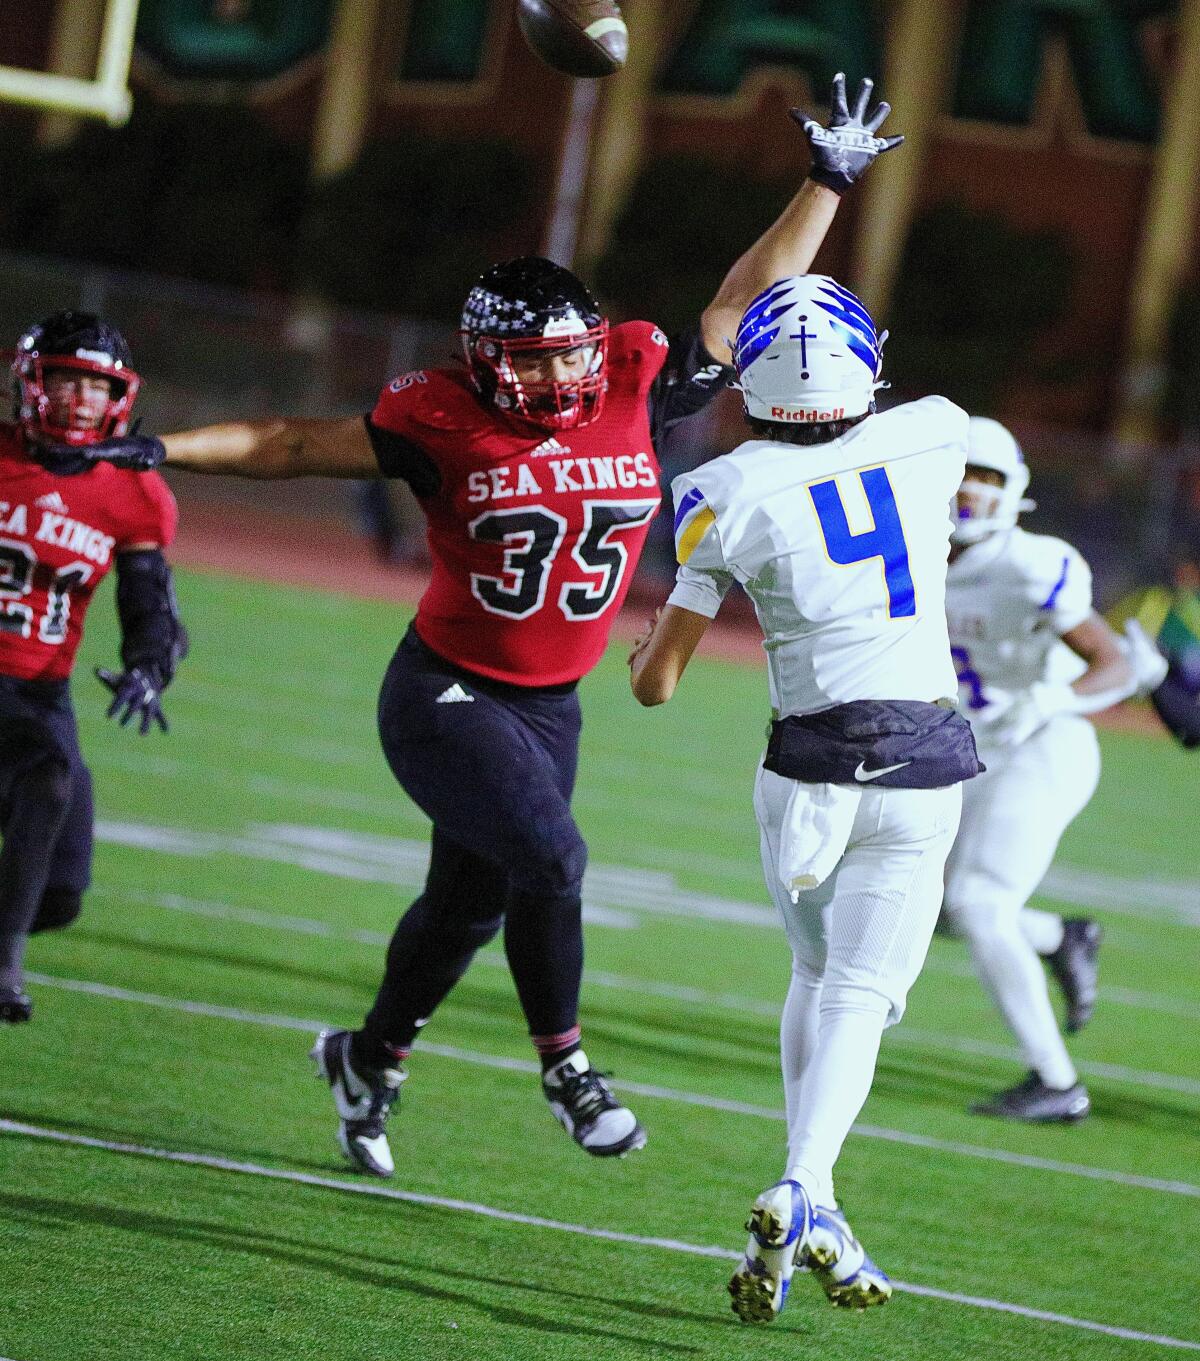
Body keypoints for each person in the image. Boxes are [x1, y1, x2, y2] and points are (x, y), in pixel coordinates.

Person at [55, 77, 905, 1179]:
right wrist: (166, 447)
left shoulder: (636, 381)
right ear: (488, 358)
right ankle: (568, 1068)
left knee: (462, 911)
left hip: (551, 709)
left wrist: (828, 179)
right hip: (443, 693)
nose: (557, 374)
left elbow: (750, 296)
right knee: (553, 862)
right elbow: (291, 443)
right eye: (535, 358)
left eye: (568, 353)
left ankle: (366, 1058)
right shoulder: (438, 414)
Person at [630, 275, 978, 1320]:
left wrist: (649, 645)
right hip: (921, 767)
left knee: (816, 971)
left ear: (750, 388)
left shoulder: (721, 490)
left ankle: (814, 1196)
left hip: (806, 773)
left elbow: (656, 683)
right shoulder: (937, 431)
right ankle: (806, 1185)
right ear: (869, 363)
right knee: (860, 998)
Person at [939, 418, 1157, 1121]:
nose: (973, 488)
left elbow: (1113, 661)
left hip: (1043, 743)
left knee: (978, 903)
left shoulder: (1027, 564)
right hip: (976, 750)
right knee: (942, 910)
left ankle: (1057, 1082)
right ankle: (1063, 937)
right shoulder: (908, 552)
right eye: (964, 470)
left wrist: (1054, 696)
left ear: (1016, 492)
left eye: (990, 477)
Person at [0, 311, 184, 1024]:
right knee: (50, 781)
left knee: (63, 892)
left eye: (95, 386)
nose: (79, 400)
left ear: (121, 398)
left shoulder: (131, 490)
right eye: (65, 381)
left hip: (40, 693)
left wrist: (149, 663)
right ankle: (6, 968)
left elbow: (149, 604)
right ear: (30, 384)